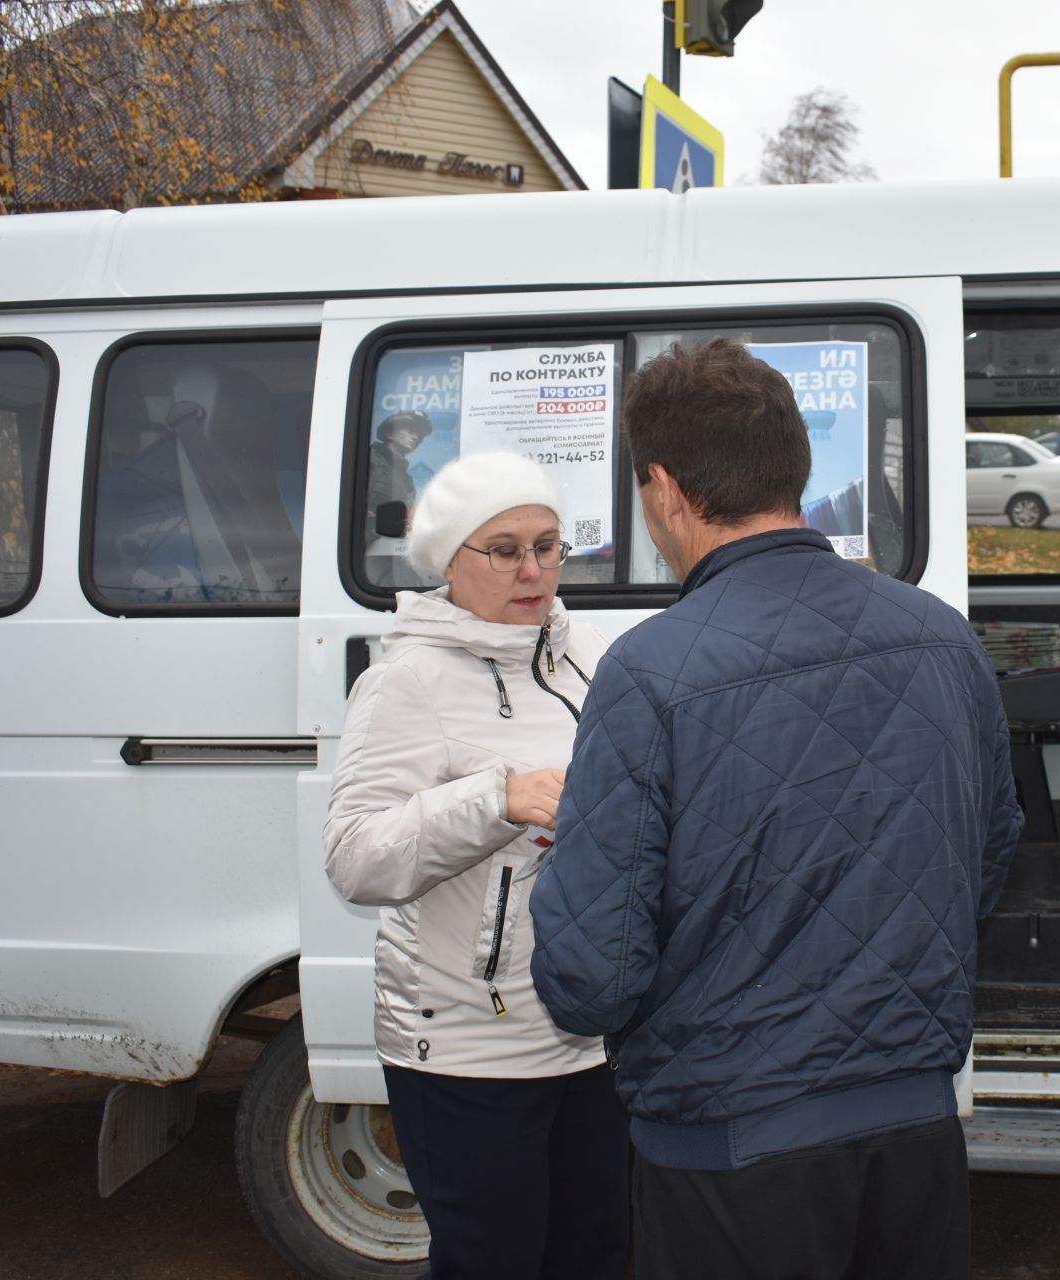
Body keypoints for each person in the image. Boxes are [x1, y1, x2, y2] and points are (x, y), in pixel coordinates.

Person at [529, 339, 1023, 1280]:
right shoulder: (941, 637)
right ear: (793, 467)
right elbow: (987, 856)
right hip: (916, 1123)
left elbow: (593, 976)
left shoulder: (650, 669)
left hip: (729, 1146)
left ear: (665, 489)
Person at [323, 451, 628, 1280]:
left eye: (549, 545)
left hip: (591, 1034)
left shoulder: (591, 655)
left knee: (597, 1256)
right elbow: (355, 858)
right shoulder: (406, 682)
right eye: (504, 549)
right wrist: (496, 800)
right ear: (449, 561)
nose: (533, 570)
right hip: (467, 1048)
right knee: (494, 1262)